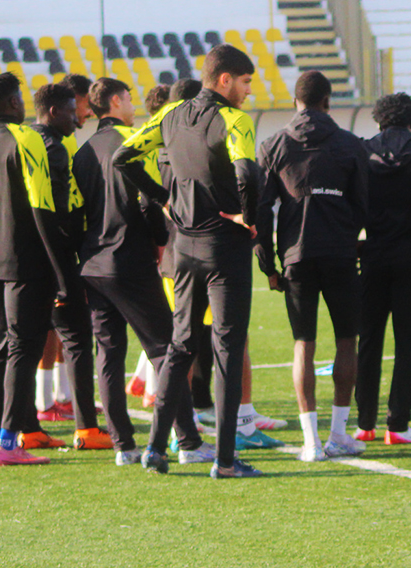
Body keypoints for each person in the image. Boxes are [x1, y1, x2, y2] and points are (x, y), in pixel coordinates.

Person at [114, 43, 262, 478]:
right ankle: (226, 460)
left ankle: (157, 449)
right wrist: (247, 219)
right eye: (246, 81)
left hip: (185, 249)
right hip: (225, 249)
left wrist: (164, 199)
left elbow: (123, 158)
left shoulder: (170, 115)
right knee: (227, 350)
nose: (249, 91)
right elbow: (248, 173)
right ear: (224, 80)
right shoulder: (234, 121)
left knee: (180, 346)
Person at [74, 77, 209, 466]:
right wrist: (159, 241)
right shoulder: (132, 142)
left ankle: (123, 446)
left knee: (109, 354)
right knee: (167, 350)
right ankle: (187, 442)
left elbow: (77, 211)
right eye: (129, 98)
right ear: (116, 101)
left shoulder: (82, 154)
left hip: (93, 264)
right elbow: (150, 200)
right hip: (129, 260)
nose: (133, 104)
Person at [0, 72, 73, 467]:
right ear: (11, 103)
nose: (24, 104)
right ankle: (8, 443)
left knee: (1, 348)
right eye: (19, 98)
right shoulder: (28, 139)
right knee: (23, 350)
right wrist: (60, 272)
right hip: (27, 263)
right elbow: (43, 209)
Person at [256, 71, 370, 461]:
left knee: (303, 343)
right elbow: (363, 205)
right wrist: (350, 236)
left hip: (295, 255)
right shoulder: (350, 143)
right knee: (346, 340)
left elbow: (261, 209)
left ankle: (311, 443)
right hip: (340, 252)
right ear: (327, 101)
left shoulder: (273, 144)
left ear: (296, 102)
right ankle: (338, 434)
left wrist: (266, 263)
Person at [354, 91, 411, 446]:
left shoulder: (361, 151)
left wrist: (353, 241)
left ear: (378, 120)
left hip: (372, 252)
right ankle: (399, 424)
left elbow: (346, 198)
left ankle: (364, 423)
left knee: (368, 341)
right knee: (408, 344)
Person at [29, 82, 113, 452]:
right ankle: (87, 428)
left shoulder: (21, 142)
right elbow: (55, 215)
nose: (81, 116)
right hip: (54, 261)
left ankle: (22, 429)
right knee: (78, 340)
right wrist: (65, 275)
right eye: (72, 109)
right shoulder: (54, 149)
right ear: (53, 112)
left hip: (18, 263)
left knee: (19, 346)